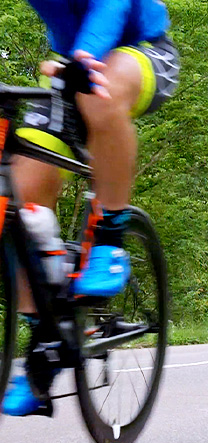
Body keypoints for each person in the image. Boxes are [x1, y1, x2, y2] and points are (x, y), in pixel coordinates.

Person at [2, 0, 180, 417]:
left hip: (143, 51)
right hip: (71, 68)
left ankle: (110, 240)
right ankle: (44, 345)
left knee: (98, 95)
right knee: (19, 197)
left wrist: (87, 52)